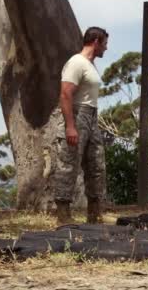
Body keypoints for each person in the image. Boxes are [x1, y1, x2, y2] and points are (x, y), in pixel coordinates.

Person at [51, 26, 108, 225]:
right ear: (96, 42)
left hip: (92, 116)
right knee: (68, 164)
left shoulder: (90, 65)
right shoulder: (76, 63)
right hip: (77, 115)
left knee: (97, 165)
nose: (106, 49)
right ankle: (63, 216)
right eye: (105, 44)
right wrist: (70, 127)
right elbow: (65, 94)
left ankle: (94, 214)